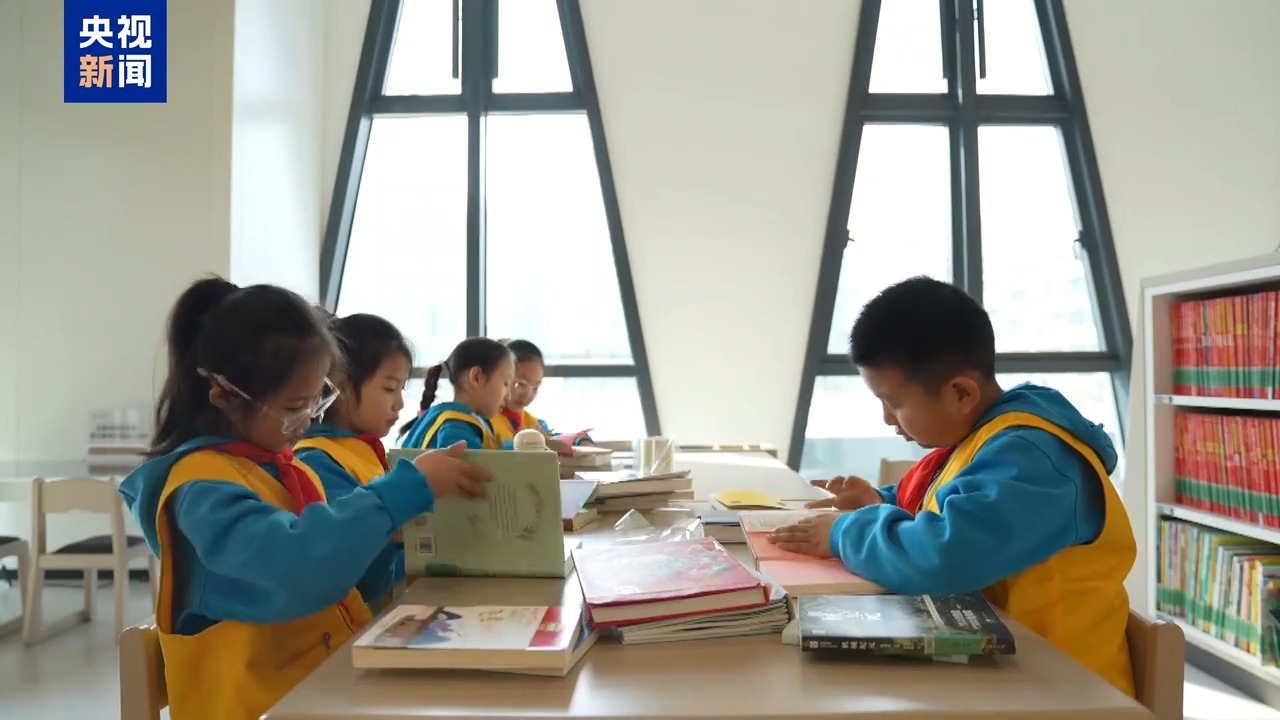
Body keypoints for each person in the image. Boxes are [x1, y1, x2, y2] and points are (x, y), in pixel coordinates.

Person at [118, 277, 492, 720]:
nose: (310, 420)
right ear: (224, 396)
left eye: (318, 400)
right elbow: (293, 569)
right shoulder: (200, 492)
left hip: (318, 690)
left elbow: (346, 588)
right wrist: (395, 498)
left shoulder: (282, 469)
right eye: (295, 406)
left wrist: (386, 536)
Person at [769, 276, 1136, 696]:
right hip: (1002, 671)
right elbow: (935, 502)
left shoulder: (1036, 460)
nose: (887, 419)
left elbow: (944, 558)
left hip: (1067, 691)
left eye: (894, 403)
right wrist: (874, 501)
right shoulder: (982, 437)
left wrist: (843, 533)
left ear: (961, 392)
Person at [295, 313, 413, 609]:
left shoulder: (365, 452)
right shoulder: (318, 462)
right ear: (343, 387)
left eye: (401, 389)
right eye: (389, 388)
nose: (400, 404)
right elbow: (360, 577)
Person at [398, 337, 513, 450]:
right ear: (476, 377)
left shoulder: (442, 415)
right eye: (506, 384)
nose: (509, 397)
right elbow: (472, 462)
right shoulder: (455, 427)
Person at [491, 338, 593, 454]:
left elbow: (555, 438)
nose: (527, 395)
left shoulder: (533, 423)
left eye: (535, 388)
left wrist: (580, 440)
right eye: (521, 384)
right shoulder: (486, 422)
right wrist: (533, 444)